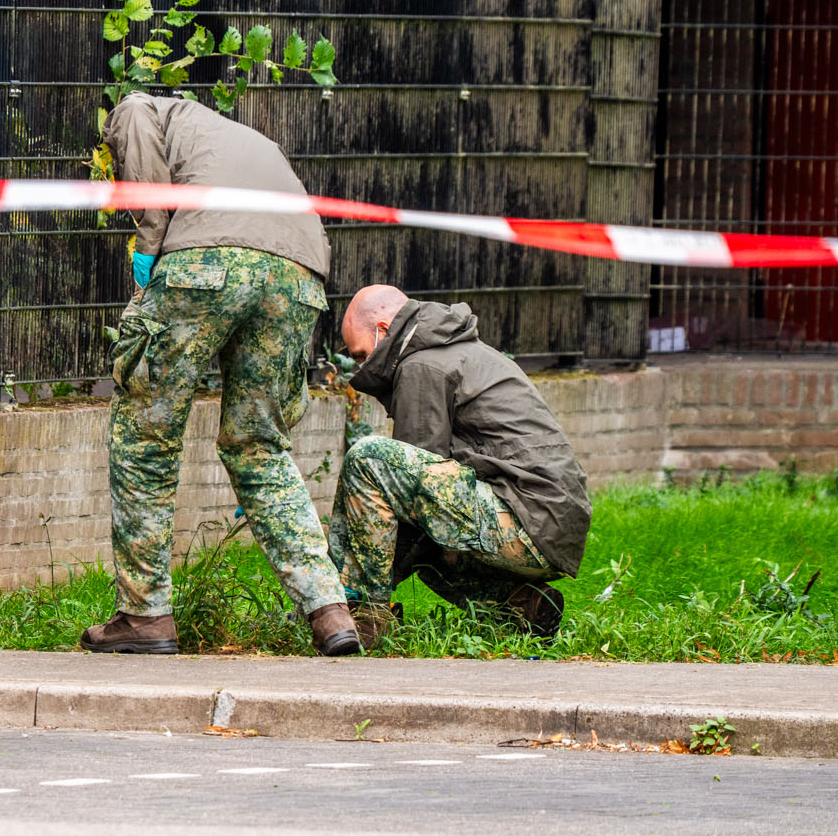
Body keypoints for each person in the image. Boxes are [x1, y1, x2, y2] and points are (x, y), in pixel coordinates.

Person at [82, 92, 359, 656]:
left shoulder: (138, 107)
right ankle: (330, 611)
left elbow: (147, 191)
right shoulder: (242, 138)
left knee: (145, 433)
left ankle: (145, 615)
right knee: (259, 445)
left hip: (207, 259)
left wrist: (148, 250)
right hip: (299, 277)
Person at [331, 284, 591, 646]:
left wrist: (346, 588)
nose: (361, 366)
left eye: (361, 355)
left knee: (368, 458)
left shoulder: (422, 365)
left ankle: (364, 619)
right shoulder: (455, 351)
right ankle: (521, 606)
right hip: (552, 527)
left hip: (525, 517)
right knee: (431, 550)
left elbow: (401, 492)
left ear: (384, 330)